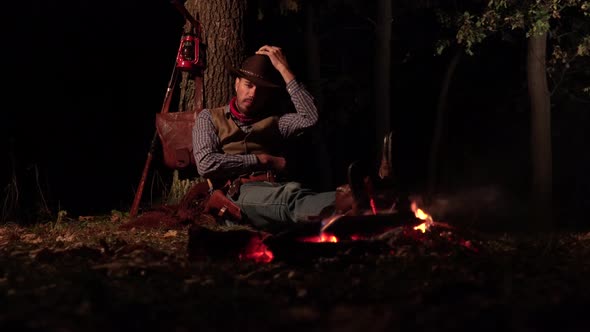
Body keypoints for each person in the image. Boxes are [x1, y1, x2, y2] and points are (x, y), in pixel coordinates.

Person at [192, 45, 343, 229]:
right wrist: (261, 160)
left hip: (274, 186)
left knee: (295, 195)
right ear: (236, 83)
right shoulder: (209, 117)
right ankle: (349, 203)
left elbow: (310, 118)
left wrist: (283, 69)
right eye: (249, 85)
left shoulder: (274, 121)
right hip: (237, 192)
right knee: (289, 198)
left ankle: (356, 202)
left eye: (261, 90)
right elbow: (206, 163)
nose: (253, 93)